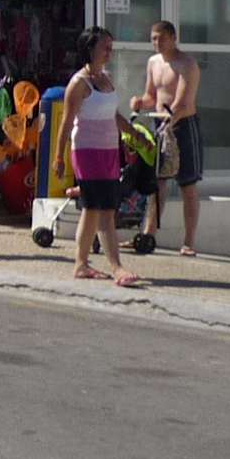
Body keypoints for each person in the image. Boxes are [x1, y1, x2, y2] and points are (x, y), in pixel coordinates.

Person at [65, 26, 140, 287]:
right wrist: (58, 158)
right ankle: (116, 267)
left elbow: (113, 115)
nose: (109, 52)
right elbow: (66, 123)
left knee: (93, 209)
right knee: (103, 209)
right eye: (104, 47)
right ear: (90, 49)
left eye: (111, 47)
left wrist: (135, 135)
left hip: (109, 150)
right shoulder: (78, 83)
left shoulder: (106, 78)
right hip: (86, 151)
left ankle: (81, 263)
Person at [132, 19, 204, 257]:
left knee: (187, 183)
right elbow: (151, 97)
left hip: (183, 125)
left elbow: (182, 102)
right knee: (158, 181)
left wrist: (170, 121)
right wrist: (139, 103)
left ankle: (189, 241)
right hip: (159, 124)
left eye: (161, 38)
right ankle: (148, 234)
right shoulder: (153, 62)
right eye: (153, 39)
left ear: (173, 38)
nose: (157, 43)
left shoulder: (187, 64)